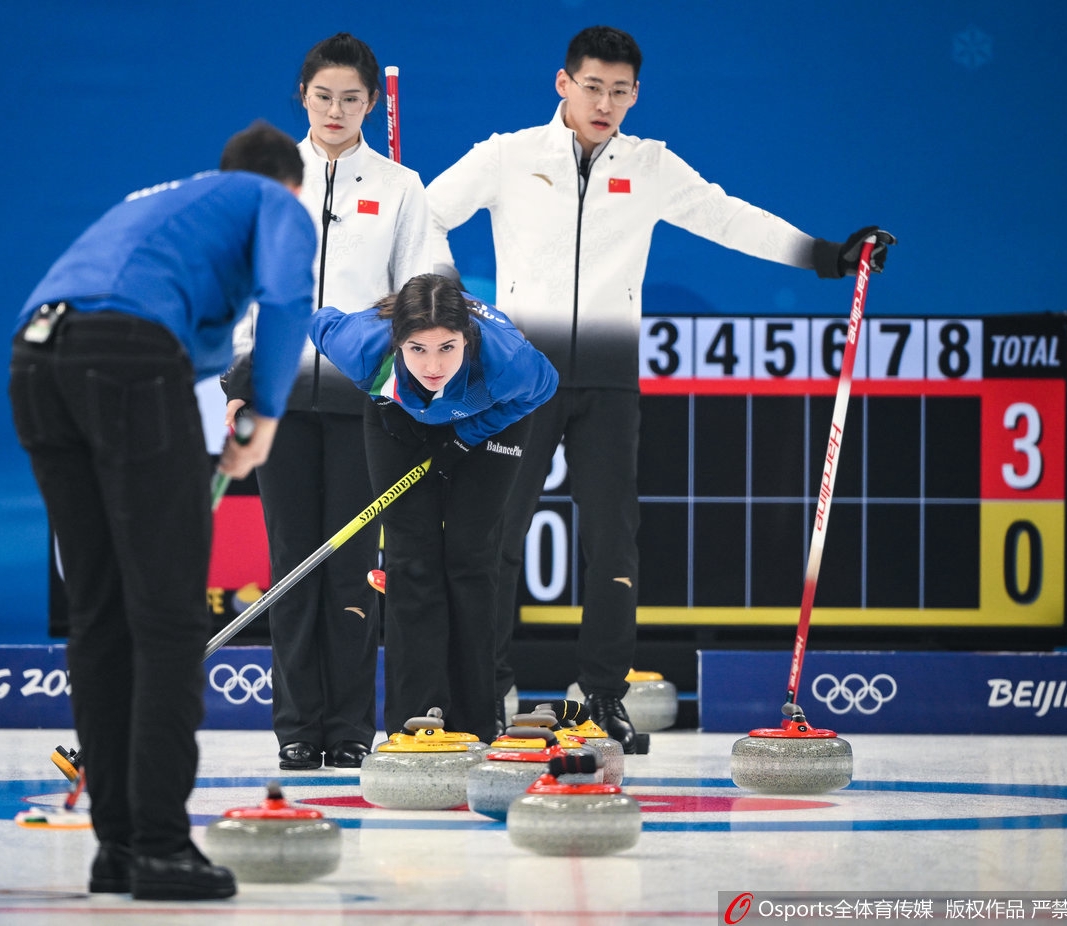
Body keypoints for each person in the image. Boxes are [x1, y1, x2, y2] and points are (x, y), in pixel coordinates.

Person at [425, 25, 895, 753]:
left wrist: (826, 256)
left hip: (609, 380)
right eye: (592, 87)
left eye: (620, 91)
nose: (605, 102)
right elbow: (422, 217)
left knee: (613, 538)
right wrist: (457, 307)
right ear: (563, 83)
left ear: (635, 94)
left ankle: (603, 699)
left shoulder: (650, 166)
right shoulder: (507, 156)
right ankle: (484, 692)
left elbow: (726, 216)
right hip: (518, 378)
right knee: (495, 536)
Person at [8, 120, 316, 901]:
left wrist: (228, 417)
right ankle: (161, 846)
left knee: (101, 612)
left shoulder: (161, 205)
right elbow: (286, 296)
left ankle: (117, 846)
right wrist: (267, 417)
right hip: (127, 358)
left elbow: (203, 349)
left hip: (36, 362)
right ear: (289, 185)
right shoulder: (271, 199)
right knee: (170, 614)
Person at [222, 33, 430, 772]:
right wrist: (237, 385)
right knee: (289, 564)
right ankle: (296, 728)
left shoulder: (402, 188)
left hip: (362, 403)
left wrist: (411, 374)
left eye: (351, 98)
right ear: (301, 98)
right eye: (322, 96)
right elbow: (239, 286)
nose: (336, 110)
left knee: (349, 567)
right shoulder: (272, 178)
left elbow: (429, 294)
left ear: (372, 102)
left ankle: (348, 729)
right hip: (276, 398)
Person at [309, 273, 558, 743]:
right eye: (417, 349)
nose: (433, 365)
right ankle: (414, 719)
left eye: (447, 347)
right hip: (397, 418)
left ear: (466, 338)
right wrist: (383, 401)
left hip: (490, 425)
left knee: (470, 557)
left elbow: (545, 387)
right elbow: (318, 320)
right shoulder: (362, 345)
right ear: (397, 342)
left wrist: (465, 438)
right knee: (411, 560)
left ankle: (477, 722)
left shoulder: (507, 362)